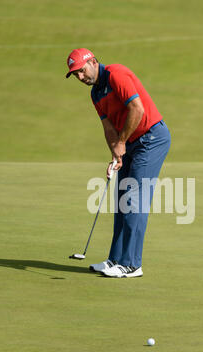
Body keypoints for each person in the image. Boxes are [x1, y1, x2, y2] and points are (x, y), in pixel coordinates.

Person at [66, 48, 171, 278]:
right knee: (123, 198)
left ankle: (132, 264)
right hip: (131, 142)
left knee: (135, 200)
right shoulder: (95, 94)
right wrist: (116, 154)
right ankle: (116, 259)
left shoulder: (117, 74)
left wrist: (122, 141)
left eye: (82, 71)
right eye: (76, 75)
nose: (81, 78)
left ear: (93, 61)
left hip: (151, 138)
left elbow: (137, 109)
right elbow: (108, 127)